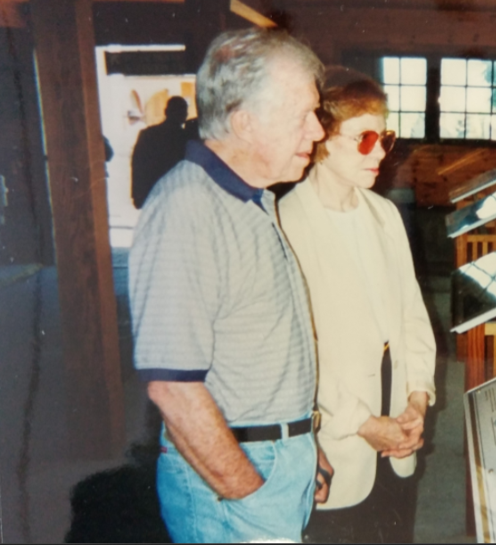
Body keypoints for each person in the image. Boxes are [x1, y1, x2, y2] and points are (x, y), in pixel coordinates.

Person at [128, 29, 331, 543]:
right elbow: (173, 388)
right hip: (236, 485)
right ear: (244, 122)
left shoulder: (255, 198)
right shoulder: (187, 209)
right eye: (301, 116)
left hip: (274, 459)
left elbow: (261, 349)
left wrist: (304, 444)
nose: (317, 131)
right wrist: (250, 492)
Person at [278, 67, 436, 544]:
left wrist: (418, 399)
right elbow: (299, 354)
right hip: (341, 442)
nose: (382, 153)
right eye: (364, 139)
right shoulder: (287, 223)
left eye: (384, 137)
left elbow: (412, 314)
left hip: (398, 437)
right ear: (322, 139)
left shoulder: (384, 213)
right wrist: (366, 425)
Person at [130, 96, 189, 209]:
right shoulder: (186, 139)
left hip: (154, 195)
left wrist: (137, 195)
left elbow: (137, 165)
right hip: (177, 196)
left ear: (166, 112)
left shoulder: (148, 134)